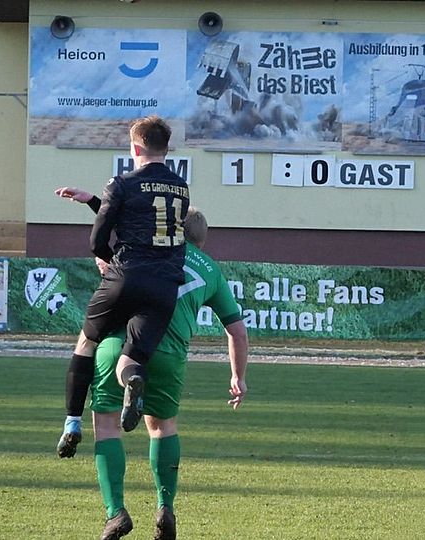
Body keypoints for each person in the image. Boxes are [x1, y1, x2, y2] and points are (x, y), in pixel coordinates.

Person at [55, 189, 248, 540]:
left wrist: (93, 203)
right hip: (170, 354)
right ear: (202, 240)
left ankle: (115, 512)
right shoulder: (211, 271)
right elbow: (236, 330)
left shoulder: (146, 247)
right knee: (162, 428)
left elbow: (113, 232)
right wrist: (238, 376)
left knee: (107, 426)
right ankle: (165, 507)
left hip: (119, 345)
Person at [58, 115, 191, 459]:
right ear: (166, 148)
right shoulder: (181, 187)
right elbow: (147, 218)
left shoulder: (121, 183)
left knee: (87, 342)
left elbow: (98, 241)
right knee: (130, 360)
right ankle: (132, 380)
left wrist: (111, 263)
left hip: (126, 277)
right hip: (164, 286)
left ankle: (72, 423)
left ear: (134, 148)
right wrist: (93, 200)